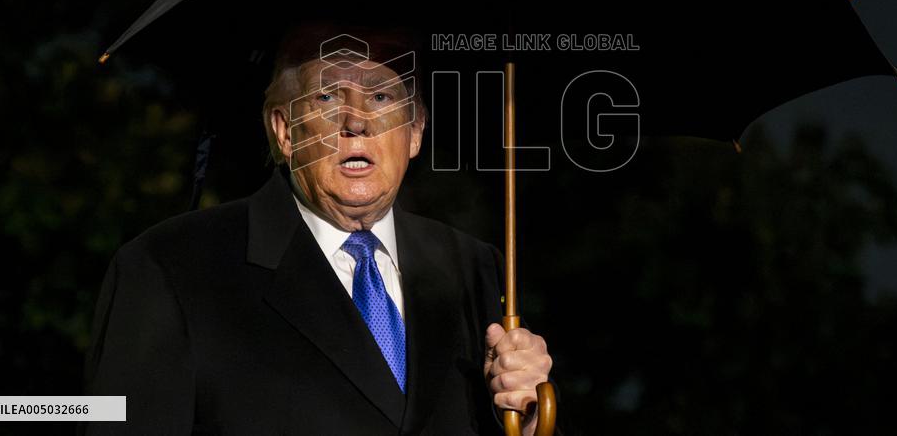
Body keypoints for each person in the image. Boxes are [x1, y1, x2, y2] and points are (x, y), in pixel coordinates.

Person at [78, 25, 556, 435]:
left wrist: (532, 421)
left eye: (383, 96)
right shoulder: (170, 267)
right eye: (327, 97)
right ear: (285, 131)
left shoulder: (478, 270)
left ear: (414, 132)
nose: (356, 121)